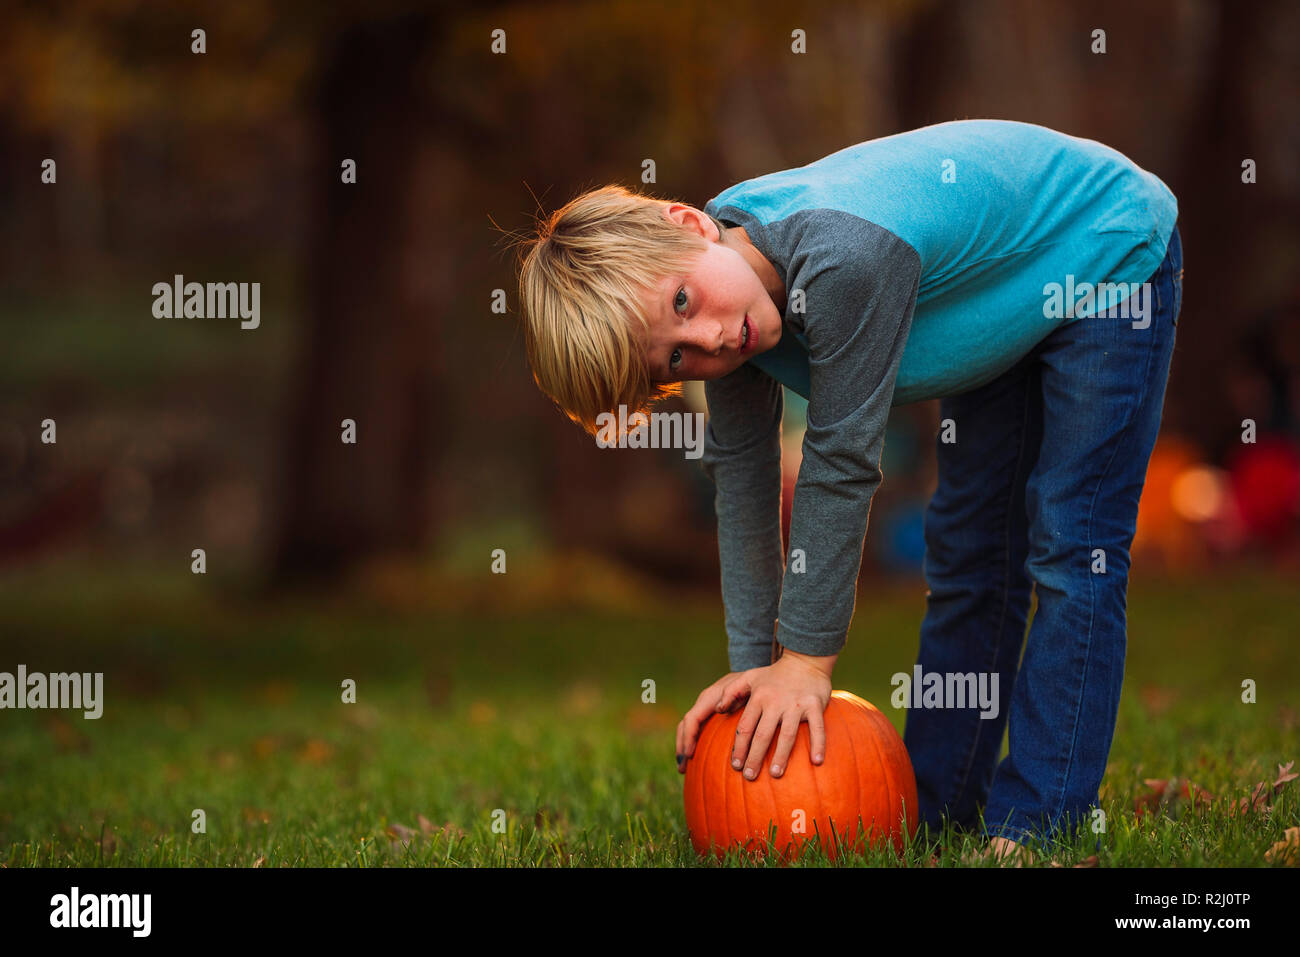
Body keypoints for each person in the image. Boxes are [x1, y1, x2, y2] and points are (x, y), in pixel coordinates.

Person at [515, 119, 1182, 860]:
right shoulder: (731, 307)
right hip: (1006, 303)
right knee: (966, 552)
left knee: (1070, 546)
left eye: (681, 303)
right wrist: (751, 666)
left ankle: (1038, 821)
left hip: (1104, 252)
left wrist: (805, 662)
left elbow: (841, 459)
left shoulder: (844, 258)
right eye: (675, 354)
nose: (706, 340)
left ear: (689, 222)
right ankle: (938, 807)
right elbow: (741, 482)